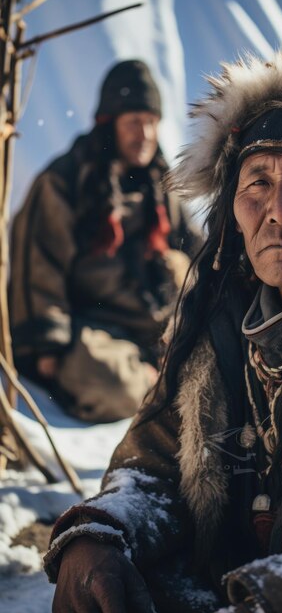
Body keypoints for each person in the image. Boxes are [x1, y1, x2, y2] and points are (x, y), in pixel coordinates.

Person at [44, 53, 282, 613]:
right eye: (257, 182)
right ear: (233, 217)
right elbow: (153, 465)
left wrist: (272, 601)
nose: (281, 210)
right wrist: (101, 533)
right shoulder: (215, 328)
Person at [9, 59, 200, 423]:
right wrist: (46, 345)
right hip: (89, 328)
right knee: (115, 386)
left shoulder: (160, 183)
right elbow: (39, 265)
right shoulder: (66, 180)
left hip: (151, 329)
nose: (143, 134)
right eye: (133, 123)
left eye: (151, 122)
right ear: (109, 123)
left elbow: (198, 250)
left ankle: (157, 375)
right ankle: (147, 383)